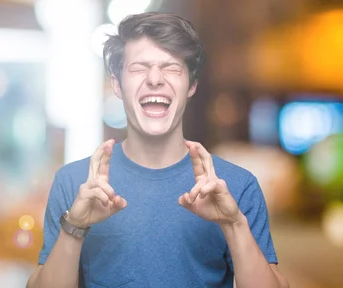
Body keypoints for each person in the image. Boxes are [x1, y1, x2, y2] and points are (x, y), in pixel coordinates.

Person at [26, 12, 289, 288]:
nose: (154, 79)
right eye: (139, 68)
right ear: (117, 84)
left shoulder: (236, 186)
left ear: (192, 85)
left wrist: (234, 224)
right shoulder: (75, 183)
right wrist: (74, 228)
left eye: (171, 68)